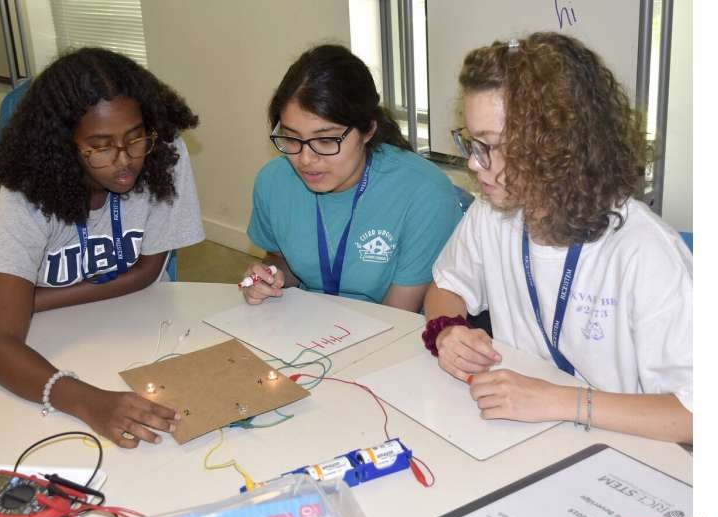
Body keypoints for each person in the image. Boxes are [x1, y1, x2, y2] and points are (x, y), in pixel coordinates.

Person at [423, 32, 692, 443]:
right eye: (473, 143)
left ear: (559, 145)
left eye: (493, 146)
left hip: (623, 447)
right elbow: (446, 287)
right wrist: (447, 330)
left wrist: (558, 400)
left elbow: (693, 415)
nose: (475, 164)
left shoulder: (645, 251)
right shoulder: (492, 213)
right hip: (525, 431)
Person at [0, 47, 205, 448]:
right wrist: (87, 401)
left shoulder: (163, 151)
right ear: (63, 145)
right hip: (48, 348)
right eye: (100, 146)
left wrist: (27, 299)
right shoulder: (26, 191)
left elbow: (147, 272)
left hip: (142, 332)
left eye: (134, 137)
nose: (125, 160)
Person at [243, 45, 467, 313]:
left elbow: (397, 316)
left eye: (326, 140)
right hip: (306, 326)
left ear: (368, 130)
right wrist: (268, 276)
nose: (305, 159)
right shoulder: (273, 182)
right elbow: (283, 262)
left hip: (391, 334)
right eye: (291, 138)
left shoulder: (424, 193)